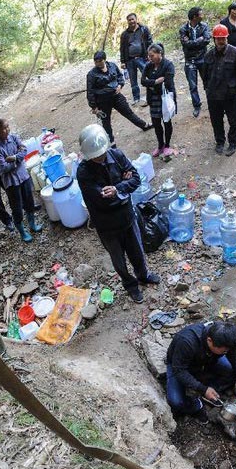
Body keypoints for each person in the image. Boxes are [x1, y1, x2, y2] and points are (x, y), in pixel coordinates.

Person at [76, 124, 159, 303]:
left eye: (101, 154)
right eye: (95, 156)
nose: (99, 158)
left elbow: (136, 178)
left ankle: (143, 275)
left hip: (127, 217)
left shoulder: (117, 155)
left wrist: (118, 188)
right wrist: (122, 184)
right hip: (107, 226)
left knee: (137, 251)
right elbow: (100, 199)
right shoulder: (83, 172)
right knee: (119, 260)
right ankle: (130, 285)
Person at [165, 320, 236, 423]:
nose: (227, 353)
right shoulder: (187, 342)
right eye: (224, 351)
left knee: (231, 372)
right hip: (182, 366)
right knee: (176, 401)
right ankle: (197, 405)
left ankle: (212, 390)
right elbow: (179, 371)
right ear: (209, 341)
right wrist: (203, 389)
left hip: (208, 360)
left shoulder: (228, 339)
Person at [86, 50, 152, 147]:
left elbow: (120, 77)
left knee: (129, 113)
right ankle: (111, 141)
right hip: (102, 101)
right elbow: (90, 91)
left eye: (99, 61)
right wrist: (94, 107)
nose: (97, 63)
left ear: (104, 60)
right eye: (95, 61)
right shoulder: (91, 74)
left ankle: (144, 125)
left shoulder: (112, 66)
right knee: (106, 122)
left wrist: (120, 86)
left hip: (116, 96)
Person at [0, 119, 42, 243]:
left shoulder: (13, 138)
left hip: (23, 176)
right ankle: (22, 231)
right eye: (3, 128)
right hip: (11, 182)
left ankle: (32, 224)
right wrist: (17, 161)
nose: (6, 130)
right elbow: (3, 167)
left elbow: (24, 150)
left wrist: (13, 158)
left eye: (7, 127)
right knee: (17, 207)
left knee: (29, 201)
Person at [201, 24, 236, 156]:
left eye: (223, 38)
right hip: (214, 95)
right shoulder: (208, 55)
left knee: (234, 120)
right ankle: (220, 142)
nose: (221, 41)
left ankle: (233, 142)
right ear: (214, 39)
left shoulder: (235, 53)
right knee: (216, 120)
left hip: (230, 95)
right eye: (218, 38)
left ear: (227, 38)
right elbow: (205, 76)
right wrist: (208, 89)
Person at [140, 43, 176, 160]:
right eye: (149, 56)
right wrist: (155, 82)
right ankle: (160, 145)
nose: (150, 58)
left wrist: (151, 83)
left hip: (165, 98)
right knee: (156, 123)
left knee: (166, 121)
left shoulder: (168, 65)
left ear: (160, 53)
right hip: (153, 98)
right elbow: (142, 81)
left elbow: (168, 82)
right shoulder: (148, 66)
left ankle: (167, 145)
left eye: (152, 55)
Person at [179, 7, 211, 118]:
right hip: (190, 60)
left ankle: (211, 102)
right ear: (194, 17)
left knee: (207, 82)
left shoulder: (204, 26)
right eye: (201, 14)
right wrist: (199, 40)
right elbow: (185, 44)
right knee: (193, 85)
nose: (202, 16)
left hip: (203, 58)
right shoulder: (183, 29)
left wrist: (193, 42)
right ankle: (197, 105)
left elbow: (207, 40)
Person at [119, 13, 153, 106]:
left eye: (132, 19)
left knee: (148, 76)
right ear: (127, 21)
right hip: (130, 60)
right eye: (129, 20)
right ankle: (136, 98)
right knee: (133, 81)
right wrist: (122, 61)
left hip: (142, 58)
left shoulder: (144, 29)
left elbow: (150, 42)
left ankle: (151, 96)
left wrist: (151, 55)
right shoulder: (124, 34)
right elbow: (122, 48)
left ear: (136, 19)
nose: (131, 21)